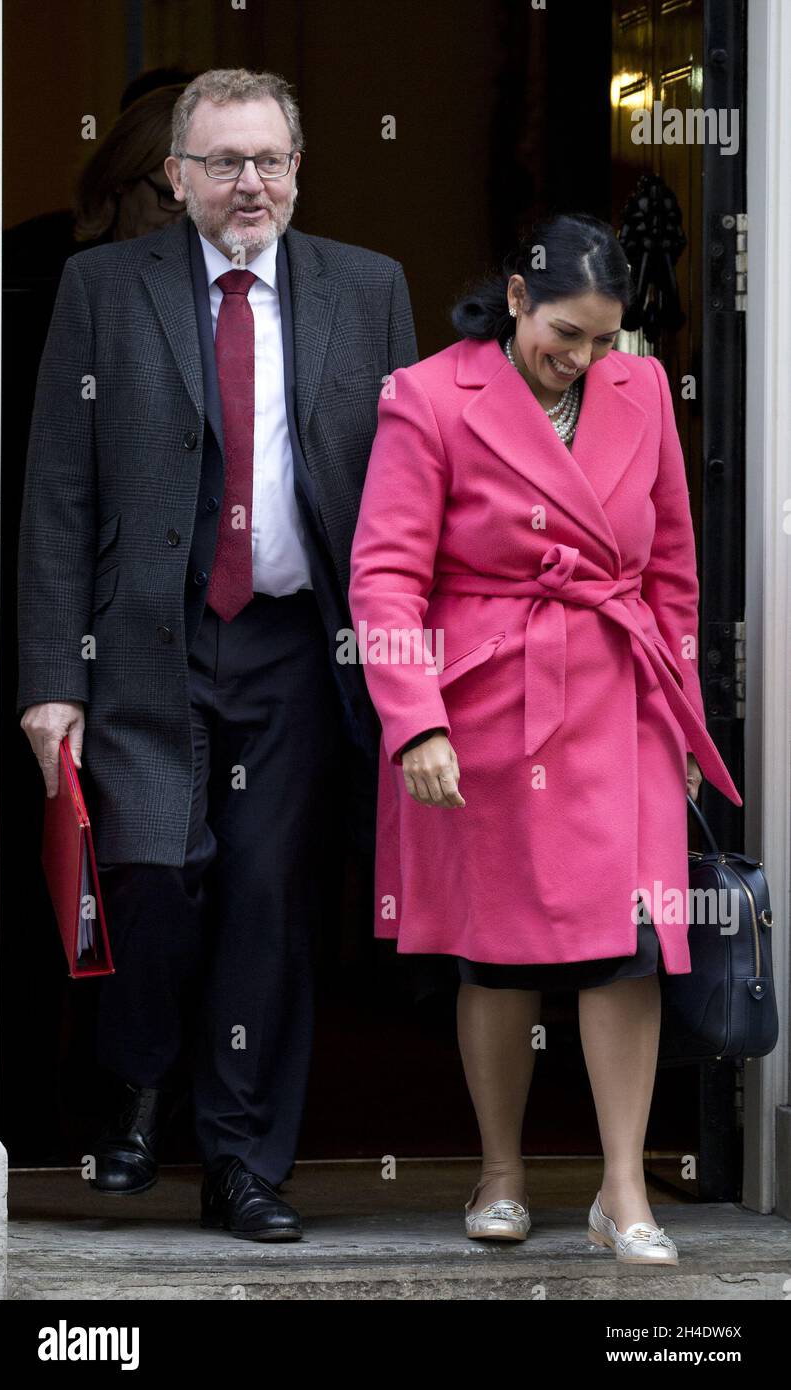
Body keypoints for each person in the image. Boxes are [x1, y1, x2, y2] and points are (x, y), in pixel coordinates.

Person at [16, 66, 417, 1241]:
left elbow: (399, 492)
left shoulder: (367, 286)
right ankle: (137, 1084)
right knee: (150, 878)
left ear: (298, 169)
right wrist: (50, 679)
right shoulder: (102, 286)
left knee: (267, 905)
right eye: (225, 162)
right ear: (178, 176)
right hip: (147, 642)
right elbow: (55, 493)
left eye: (271, 160)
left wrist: (406, 659)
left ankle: (243, 1162)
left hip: (294, 649)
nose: (251, 183)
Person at [348, 212, 742, 1263]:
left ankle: (622, 1191)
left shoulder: (641, 389)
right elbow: (385, 577)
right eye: (565, 332)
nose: (582, 358)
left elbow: (669, 565)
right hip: (485, 702)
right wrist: (413, 718)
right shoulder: (428, 395)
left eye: (602, 340)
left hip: (616, 694)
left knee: (629, 945)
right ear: (516, 298)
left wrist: (673, 699)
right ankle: (500, 1172)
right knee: (498, 949)